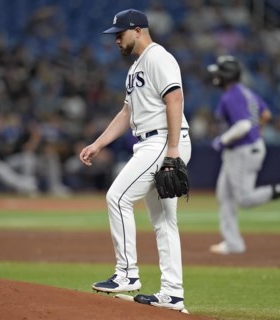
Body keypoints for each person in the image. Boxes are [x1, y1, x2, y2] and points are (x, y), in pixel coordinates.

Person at [79, 9, 191, 313]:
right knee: (165, 222)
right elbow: (127, 113)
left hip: (163, 140)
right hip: (155, 141)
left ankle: (127, 273)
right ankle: (172, 293)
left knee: (117, 198)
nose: (116, 39)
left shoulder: (158, 57)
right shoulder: (135, 68)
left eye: (120, 33)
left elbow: (175, 98)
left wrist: (172, 149)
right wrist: (99, 143)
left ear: (138, 30)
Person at [208, 55, 280, 255]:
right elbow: (266, 115)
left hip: (242, 151)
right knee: (224, 194)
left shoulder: (230, 96)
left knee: (244, 199)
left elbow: (244, 125)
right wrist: (257, 133)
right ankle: (233, 243)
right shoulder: (247, 93)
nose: (216, 76)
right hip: (247, 148)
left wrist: (223, 140)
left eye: (219, 72)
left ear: (226, 75)